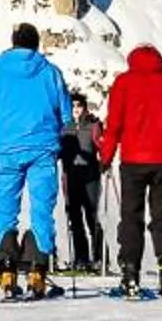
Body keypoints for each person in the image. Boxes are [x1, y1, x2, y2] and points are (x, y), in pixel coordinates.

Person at [0, 26, 72, 297]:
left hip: (7, 147)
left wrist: (0, 124)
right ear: (36, 44)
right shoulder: (50, 71)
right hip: (42, 148)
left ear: (13, 43)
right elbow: (65, 112)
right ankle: (37, 271)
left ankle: (6, 269)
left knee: (6, 208)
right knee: (41, 208)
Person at [98, 43, 162, 299]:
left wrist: (105, 157)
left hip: (133, 160)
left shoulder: (123, 83)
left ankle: (130, 273)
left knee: (131, 217)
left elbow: (114, 125)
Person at [57, 92, 107, 275]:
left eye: (79, 106)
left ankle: (100, 257)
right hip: (71, 177)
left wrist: (104, 161)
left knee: (92, 217)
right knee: (74, 219)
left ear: (84, 108)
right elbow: (58, 150)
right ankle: (81, 258)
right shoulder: (64, 127)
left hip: (90, 176)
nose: (76, 110)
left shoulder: (93, 125)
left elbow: (102, 145)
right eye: (72, 106)